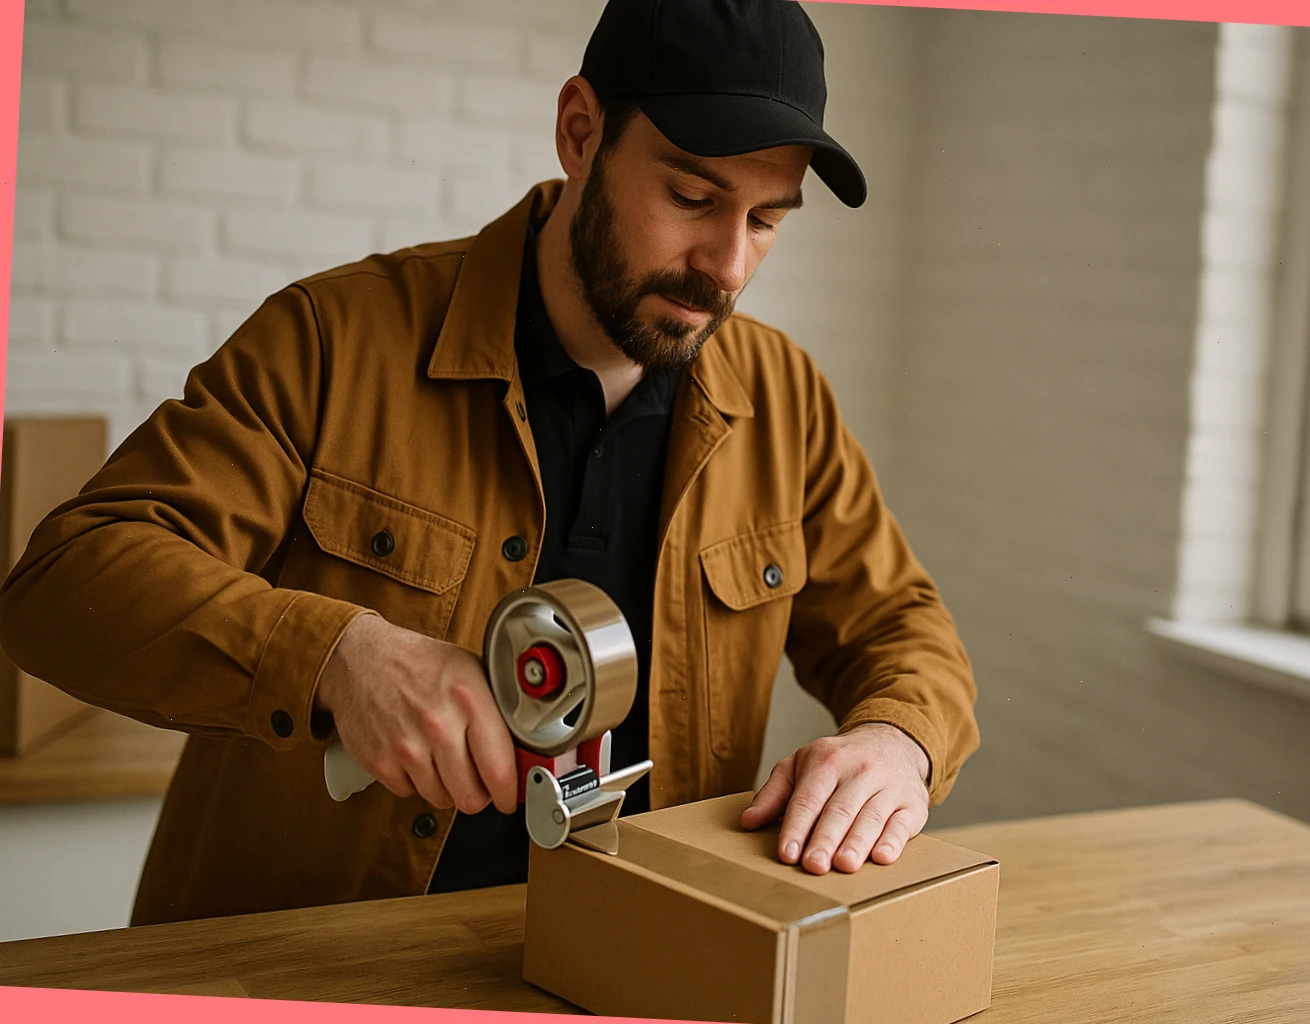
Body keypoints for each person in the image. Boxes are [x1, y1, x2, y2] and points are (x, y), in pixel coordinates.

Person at [0, 0, 978, 926]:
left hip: (645, 955)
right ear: (581, 130)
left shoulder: (786, 398)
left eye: (766, 220)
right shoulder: (332, 338)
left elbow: (903, 627)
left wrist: (898, 739)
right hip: (310, 963)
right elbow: (65, 578)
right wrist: (337, 656)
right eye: (691, 195)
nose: (727, 263)